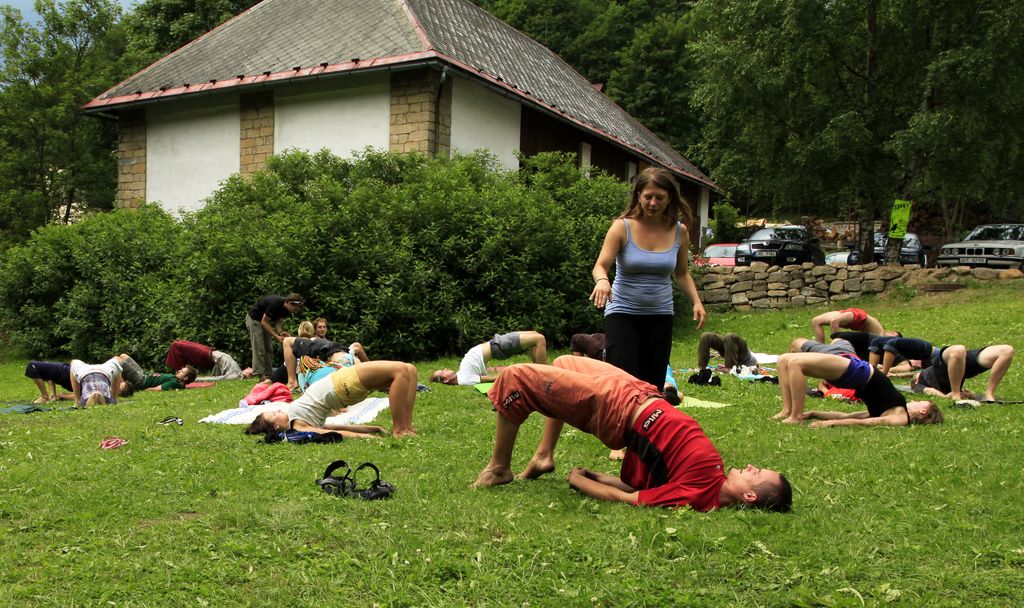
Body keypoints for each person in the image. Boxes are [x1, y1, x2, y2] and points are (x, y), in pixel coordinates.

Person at [473, 355, 791, 512]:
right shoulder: (713, 477)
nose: (752, 466)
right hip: (638, 393)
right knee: (564, 362)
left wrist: (579, 479)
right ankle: (544, 455)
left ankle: (499, 468)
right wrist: (596, 474)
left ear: (749, 496)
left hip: (618, 409)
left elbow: (630, 497)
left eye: (757, 473)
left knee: (515, 377)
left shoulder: (699, 495)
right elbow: (641, 483)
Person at [590, 167, 707, 390]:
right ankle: (620, 424)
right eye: (648, 197)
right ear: (638, 196)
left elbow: (681, 273)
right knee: (624, 382)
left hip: (660, 315)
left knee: (652, 384)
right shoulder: (622, 227)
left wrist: (697, 301)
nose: (653, 203)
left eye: (659, 198)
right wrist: (602, 281)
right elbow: (600, 266)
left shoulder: (679, 232)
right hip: (622, 313)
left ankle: (645, 425)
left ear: (669, 198)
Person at [245, 360, 418, 438]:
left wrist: (373, 428)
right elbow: (335, 433)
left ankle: (407, 427)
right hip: (341, 385)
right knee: (401, 371)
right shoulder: (297, 425)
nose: (277, 409)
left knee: (410, 369)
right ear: (276, 426)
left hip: (340, 383)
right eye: (273, 414)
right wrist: (369, 439)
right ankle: (399, 430)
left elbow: (335, 426)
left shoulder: (301, 419)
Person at [775, 351, 943, 427]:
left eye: (918, 402)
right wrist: (814, 414)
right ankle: (787, 411)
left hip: (860, 374)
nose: (913, 400)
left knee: (795, 364)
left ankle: (795, 416)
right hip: (861, 372)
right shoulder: (889, 409)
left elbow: (865, 423)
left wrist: (830, 424)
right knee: (784, 360)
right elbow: (847, 416)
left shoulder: (900, 418)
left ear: (923, 411)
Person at [431, 331, 547, 386]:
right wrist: (513, 374)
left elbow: (485, 370)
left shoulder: (461, 373)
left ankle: (538, 375)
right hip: (499, 346)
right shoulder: (464, 380)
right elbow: (489, 378)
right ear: (445, 380)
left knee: (534, 335)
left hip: (496, 343)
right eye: (443, 372)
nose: (445, 368)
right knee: (539, 339)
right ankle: (545, 378)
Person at [911, 344, 1015, 403]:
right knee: (959, 350)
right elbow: (930, 390)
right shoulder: (918, 384)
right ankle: (956, 395)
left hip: (944, 363)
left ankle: (989, 393)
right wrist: (950, 395)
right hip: (961, 369)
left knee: (1007, 351)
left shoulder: (928, 371)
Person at [246, 293, 304, 380]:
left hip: (264, 322)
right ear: (289, 303)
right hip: (254, 320)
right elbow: (264, 322)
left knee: (268, 348)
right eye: (295, 308)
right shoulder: (275, 304)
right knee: (259, 347)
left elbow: (277, 321)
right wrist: (277, 336)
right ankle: (259, 374)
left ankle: (269, 374)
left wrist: (281, 333)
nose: (296, 310)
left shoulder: (286, 309)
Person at [164, 340, 252, 382]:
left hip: (214, 356)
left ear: (248, 376)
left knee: (177, 345)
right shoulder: (237, 373)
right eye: (249, 368)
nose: (248, 368)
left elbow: (214, 378)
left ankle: (179, 377)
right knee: (178, 344)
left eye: (249, 370)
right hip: (216, 355)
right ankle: (180, 375)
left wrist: (195, 380)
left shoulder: (237, 376)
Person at [119, 354, 197, 391]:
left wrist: (139, 390)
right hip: (143, 374)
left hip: (141, 380)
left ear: (185, 378)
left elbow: (156, 389)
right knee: (123, 356)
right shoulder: (176, 379)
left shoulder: (175, 383)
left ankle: (120, 388)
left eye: (182, 371)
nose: (179, 371)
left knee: (118, 361)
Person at [811, 308, 884, 343]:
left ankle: (837, 348)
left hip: (859, 319)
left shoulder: (880, 336)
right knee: (816, 321)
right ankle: (820, 349)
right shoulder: (881, 334)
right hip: (858, 315)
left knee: (833, 321)